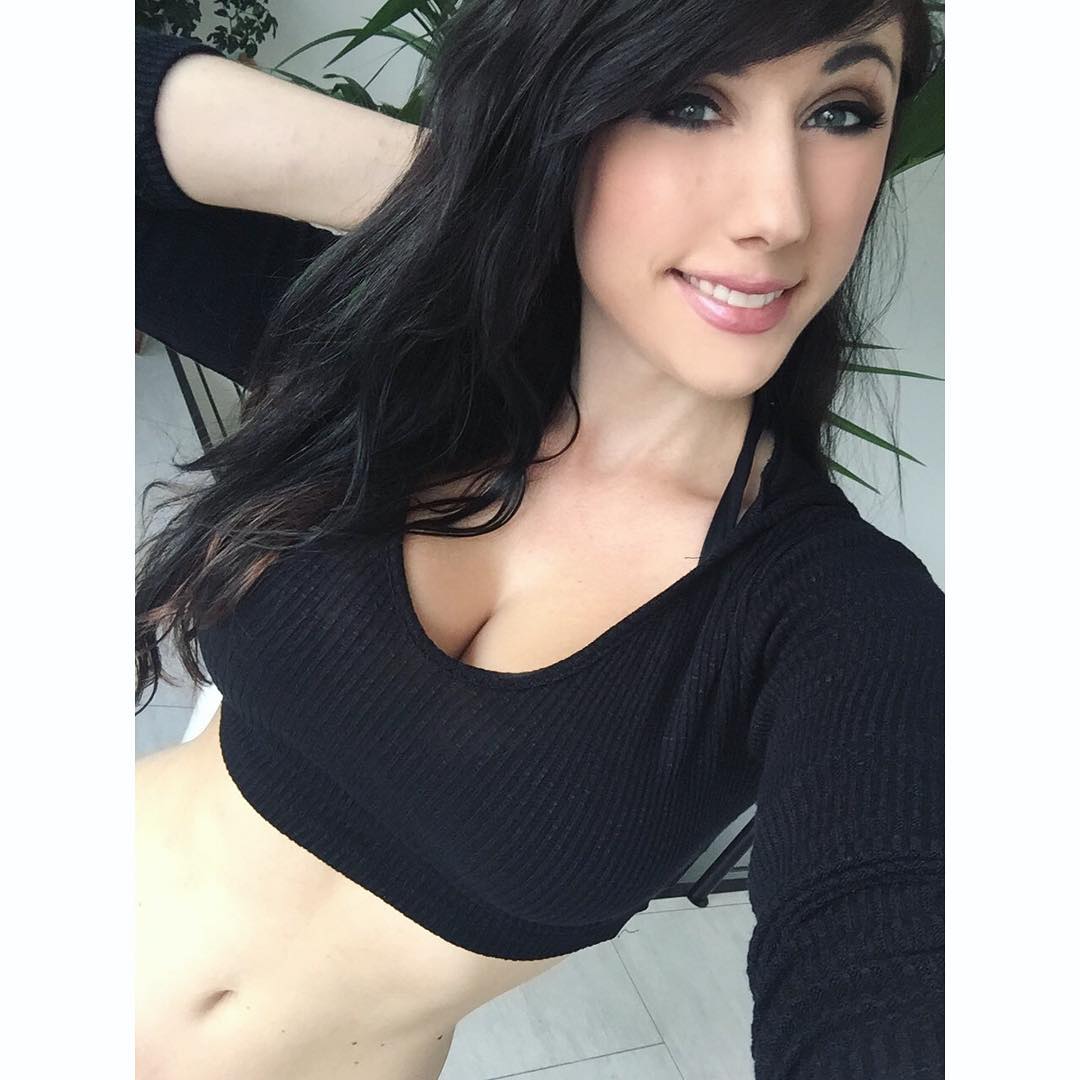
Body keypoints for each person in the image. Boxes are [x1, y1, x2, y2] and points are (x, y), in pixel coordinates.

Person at [134, 1, 944, 1077]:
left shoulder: (848, 625)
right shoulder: (394, 352)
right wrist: (474, 186)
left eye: (841, 112)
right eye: (687, 102)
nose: (777, 212)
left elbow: (889, 974)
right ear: (561, 102)